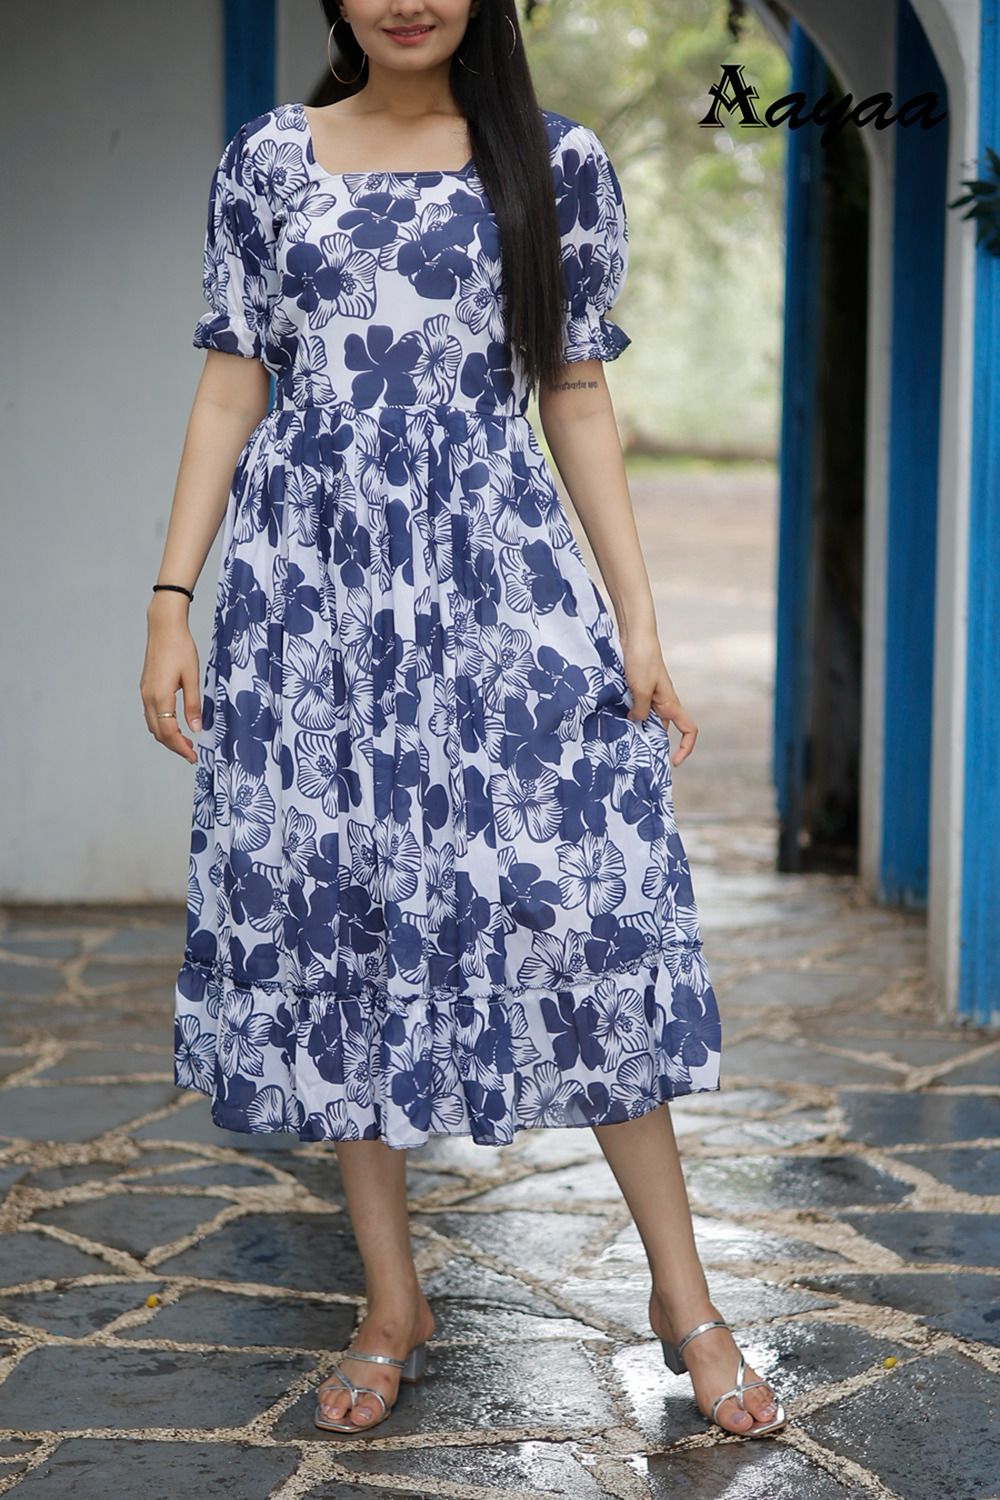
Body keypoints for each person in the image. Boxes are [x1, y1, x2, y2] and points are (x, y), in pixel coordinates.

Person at [140, 0, 784, 1444]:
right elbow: (234, 377)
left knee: (580, 910)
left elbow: (576, 391)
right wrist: (172, 598)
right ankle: (391, 1302)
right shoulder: (269, 161)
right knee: (339, 915)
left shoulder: (552, 164)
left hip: (500, 583)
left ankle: (685, 1302)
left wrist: (638, 624)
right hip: (311, 596)